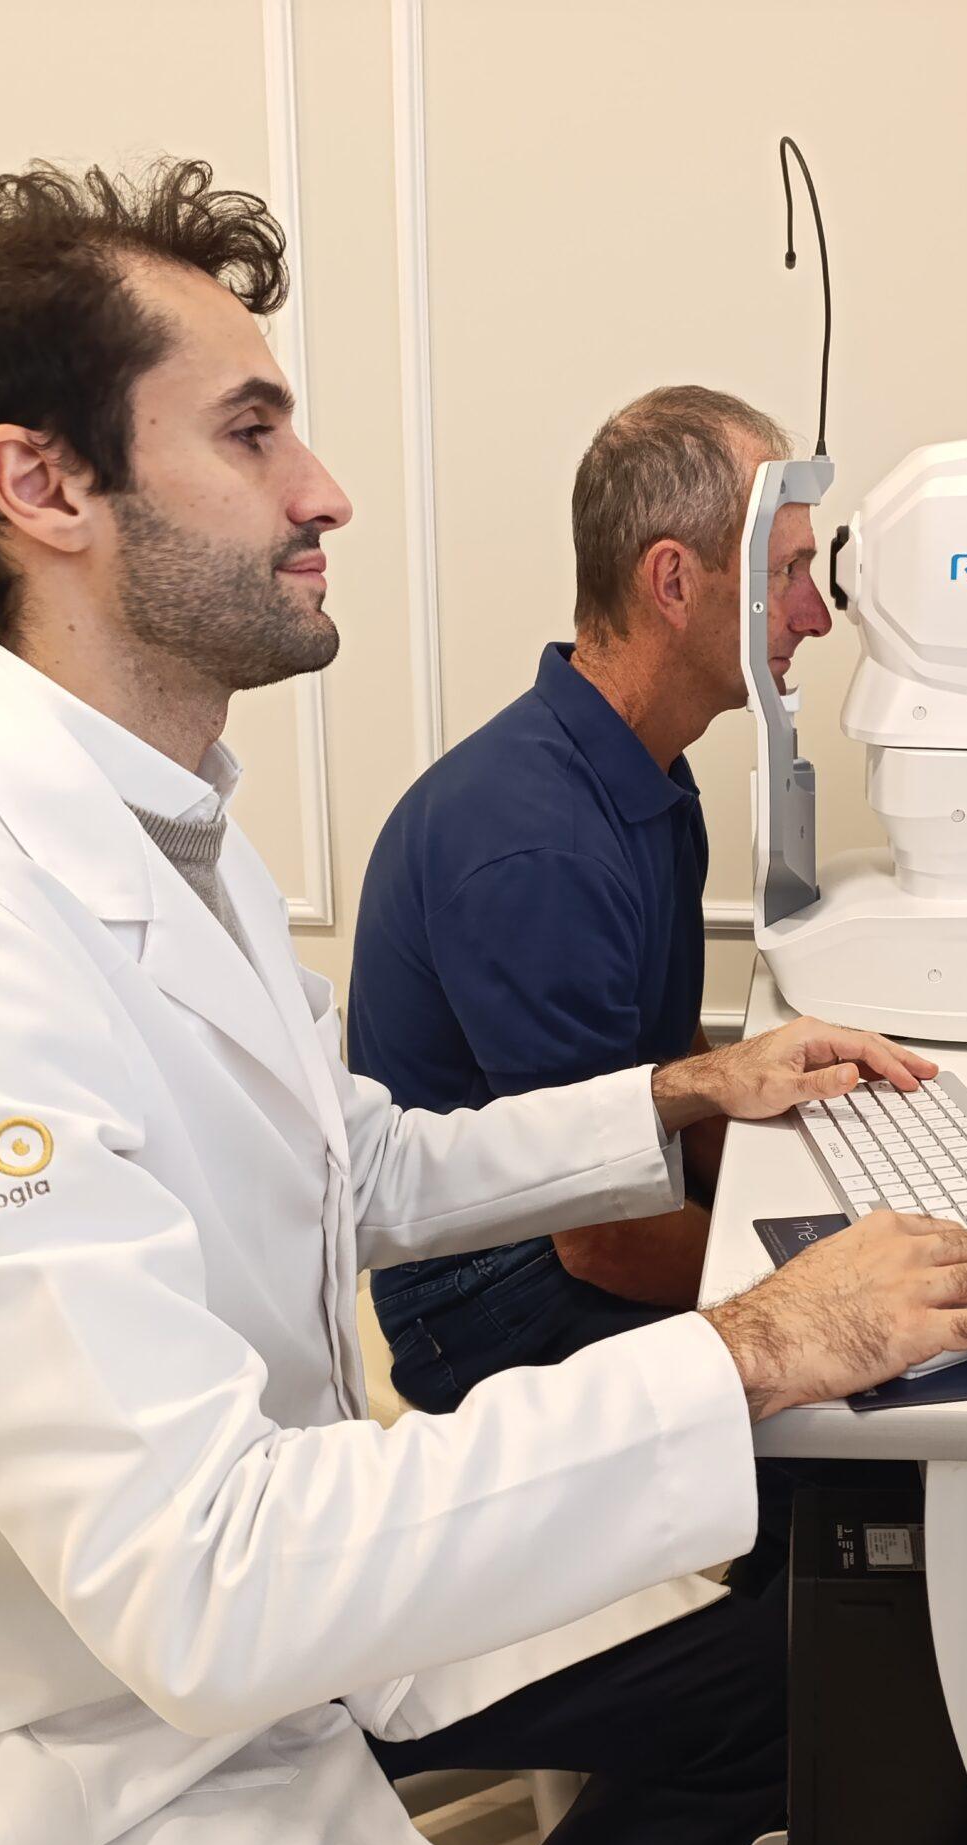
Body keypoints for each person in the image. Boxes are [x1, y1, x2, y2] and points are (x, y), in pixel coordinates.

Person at [0, 159, 967, 1845]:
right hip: (23, 1788)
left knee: (816, 1689)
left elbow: (353, 1153)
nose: (325, 491)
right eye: (251, 434)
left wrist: (673, 1094)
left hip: (225, 1672)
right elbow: (201, 1576)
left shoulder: (165, 823)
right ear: (43, 485)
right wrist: (760, 1344)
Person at [349, 386, 831, 1415]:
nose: (816, 613)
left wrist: (808, 1193)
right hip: (485, 1292)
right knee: (854, 1383)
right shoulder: (536, 846)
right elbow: (599, 1237)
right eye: (787, 572)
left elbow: (665, 1056)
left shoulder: (642, 768)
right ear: (673, 581)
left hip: (585, 1224)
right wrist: (819, 1286)